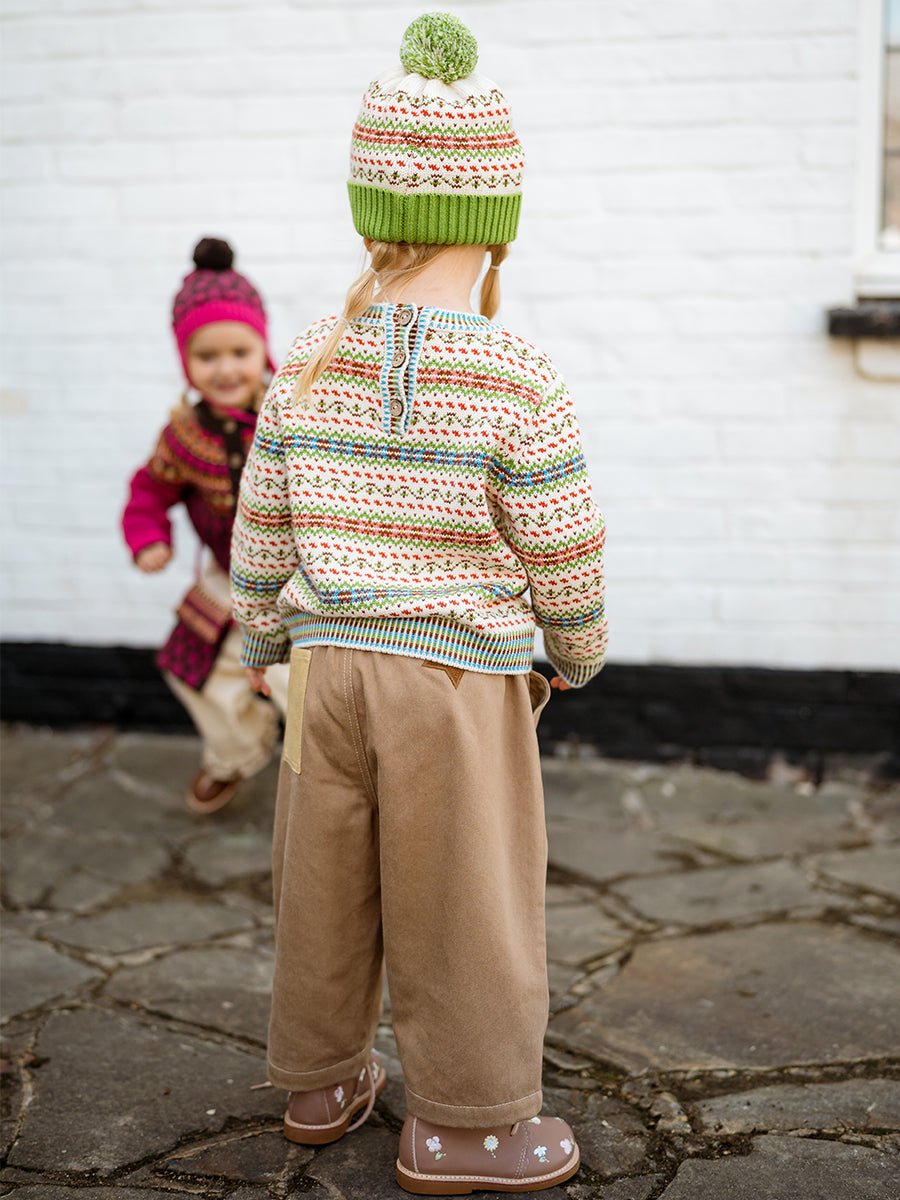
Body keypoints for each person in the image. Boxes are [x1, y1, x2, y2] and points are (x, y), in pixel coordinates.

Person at [231, 13, 607, 1194]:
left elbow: (262, 522)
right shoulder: (516, 373)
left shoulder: (306, 360)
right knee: (461, 901)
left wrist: (262, 636)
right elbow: (564, 543)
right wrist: (577, 648)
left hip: (326, 669)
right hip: (453, 682)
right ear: (497, 226)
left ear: (368, 217)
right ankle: (468, 1127)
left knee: (323, 885)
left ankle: (320, 1082)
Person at [122, 237, 290, 814]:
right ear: (185, 361)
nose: (225, 369)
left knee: (303, 683)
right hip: (227, 575)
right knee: (192, 666)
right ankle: (236, 749)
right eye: (207, 356)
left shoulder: (289, 415)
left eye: (240, 351)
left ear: (263, 347)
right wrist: (148, 539)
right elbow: (149, 492)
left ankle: (332, 777)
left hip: (296, 581)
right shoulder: (184, 436)